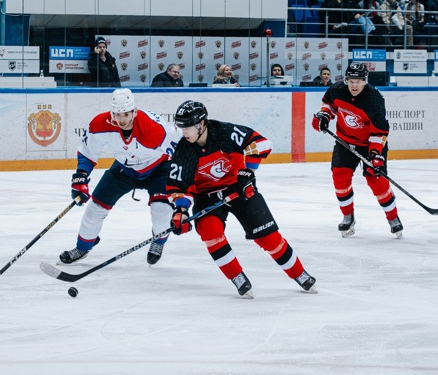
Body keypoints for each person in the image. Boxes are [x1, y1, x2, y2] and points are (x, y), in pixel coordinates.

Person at [166, 100, 316, 298]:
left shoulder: (225, 132)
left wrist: (248, 172)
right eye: (181, 126)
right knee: (210, 232)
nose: (184, 131)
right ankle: (237, 277)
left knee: (268, 237)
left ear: (202, 124)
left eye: (189, 126)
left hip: (239, 189)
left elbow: (262, 143)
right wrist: (181, 210)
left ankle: (299, 273)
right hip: (207, 198)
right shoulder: (183, 152)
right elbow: (178, 187)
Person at [59, 89, 179, 266]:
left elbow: (183, 153)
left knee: (161, 209)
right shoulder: (101, 123)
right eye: (116, 114)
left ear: (134, 111)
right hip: (124, 168)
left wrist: (184, 192)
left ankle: (158, 242)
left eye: (125, 114)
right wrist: (80, 178)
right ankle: (83, 247)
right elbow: (88, 152)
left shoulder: (153, 129)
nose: (121, 119)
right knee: (95, 208)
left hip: (159, 168)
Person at [311, 62, 402, 238]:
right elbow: (329, 104)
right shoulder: (337, 90)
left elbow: (379, 132)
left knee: (376, 180)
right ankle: (347, 216)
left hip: (370, 144)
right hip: (345, 142)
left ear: (365, 80)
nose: (354, 85)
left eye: (358, 81)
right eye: (351, 81)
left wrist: (375, 155)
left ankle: (393, 218)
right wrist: (324, 115)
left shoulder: (374, 99)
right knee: (339, 175)